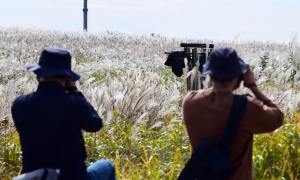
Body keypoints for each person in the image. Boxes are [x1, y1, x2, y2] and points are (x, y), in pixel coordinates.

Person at [11, 47, 116, 180]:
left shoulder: (20, 104)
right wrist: (74, 90)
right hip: (72, 177)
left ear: (38, 74)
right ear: (67, 77)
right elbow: (95, 124)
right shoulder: (74, 103)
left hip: (35, 177)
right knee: (107, 166)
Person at [182, 47, 284, 179]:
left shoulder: (190, 101)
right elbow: (277, 117)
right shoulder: (247, 107)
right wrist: (253, 86)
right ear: (239, 76)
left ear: (210, 75)